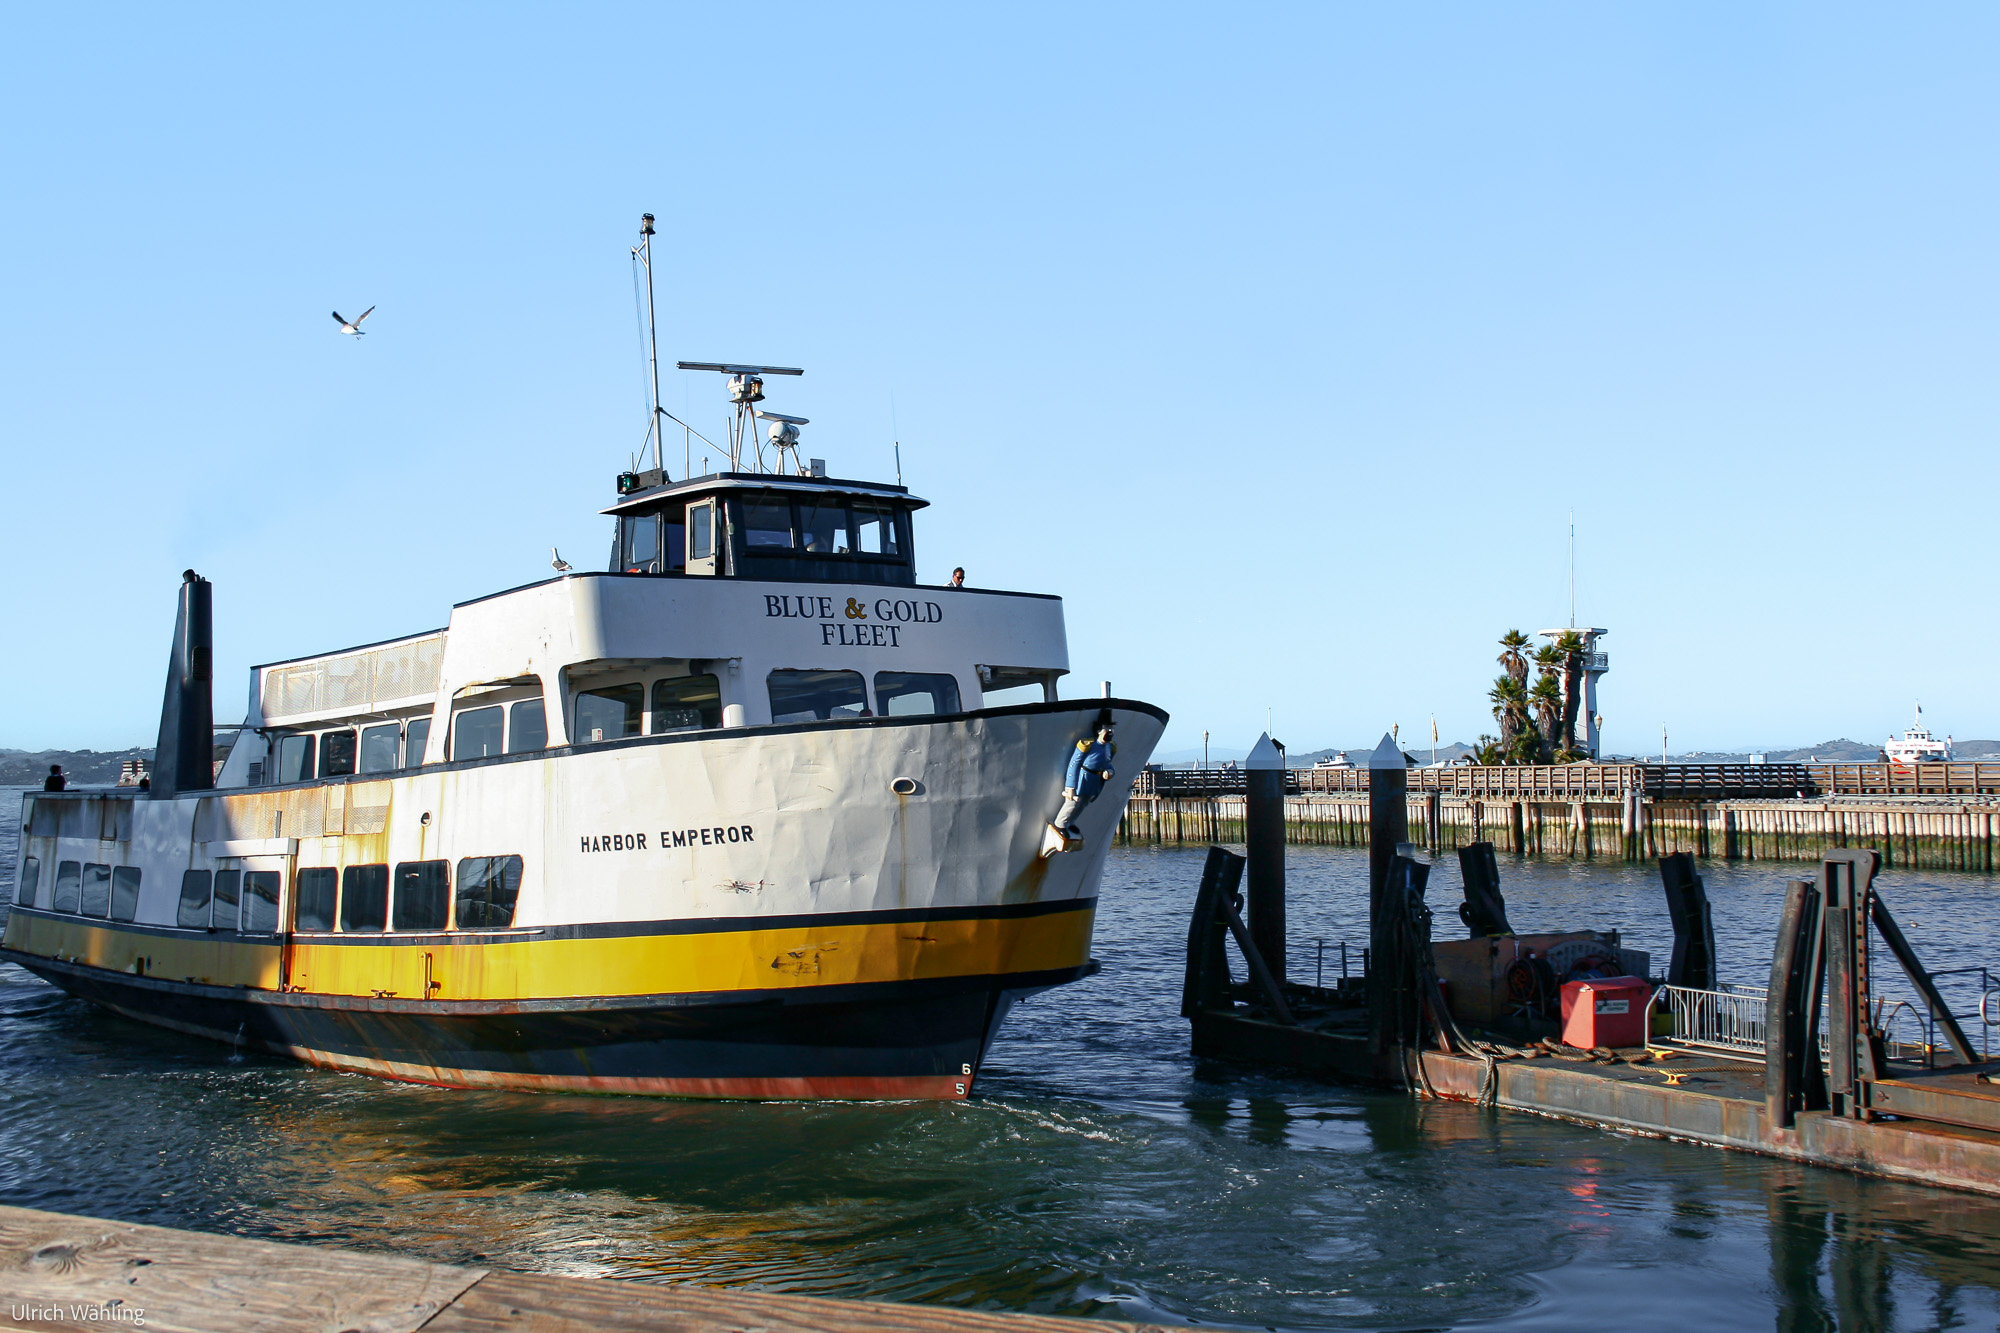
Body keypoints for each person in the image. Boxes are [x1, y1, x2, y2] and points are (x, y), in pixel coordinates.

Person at [1052, 722, 1116, 837]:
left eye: (1111, 729)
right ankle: (1060, 824)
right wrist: (1070, 786)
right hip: (1082, 778)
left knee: (1083, 804)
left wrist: (1110, 772)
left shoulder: (1109, 747)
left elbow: (1108, 763)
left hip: (1094, 780)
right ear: (1099, 731)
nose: (1110, 732)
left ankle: (1070, 822)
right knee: (1072, 804)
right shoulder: (1088, 745)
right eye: (1107, 729)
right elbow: (1074, 764)